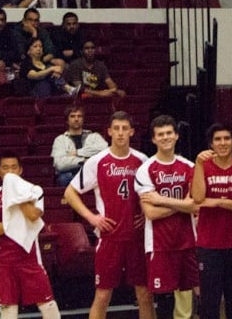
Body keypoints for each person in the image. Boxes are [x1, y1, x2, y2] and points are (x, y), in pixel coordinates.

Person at [64, 111, 154, 319]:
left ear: (132, 132)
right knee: (103, 295)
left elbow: (151, 193)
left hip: (137, 237)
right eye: (116, 129)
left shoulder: (142, 160)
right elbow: (70, 192)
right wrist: (91, 217)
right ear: (109, 132)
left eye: (125, 129)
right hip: (110, 237)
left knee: (144, 294)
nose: (120, 133)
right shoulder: (98, 161)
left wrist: (145, 213)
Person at [0, 153, 62, 319]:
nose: (10, 172)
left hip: (30, 257)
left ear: (20, 170)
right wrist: (16, 222)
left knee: (47, 303)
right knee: (8, 307)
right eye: (5, 168)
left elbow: (33, 215)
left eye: (13, 167)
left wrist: (16, 196)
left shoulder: (34, 191)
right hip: (5, 259)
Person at [133, 115, 197, 317]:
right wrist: (182, 205)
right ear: (153, 139)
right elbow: (150, 213)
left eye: (169, 133)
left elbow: (195, 206)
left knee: (193, 293)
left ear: (177, 136)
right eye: (160, 134)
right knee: (164, 298)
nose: (165, 137)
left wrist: (162, 199)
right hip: (159, 243)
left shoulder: (190, 167)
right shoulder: (145, 170)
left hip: (188, 240)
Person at [191, 122, 232, 319]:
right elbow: (199, 198)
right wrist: (199, 164)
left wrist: (219, 202)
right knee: (209, 304)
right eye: (218, 139)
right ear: (211, 144)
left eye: (227, 138)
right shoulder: (202, 167)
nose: (222, 143)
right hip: (209, 246)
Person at [51, 105, 108, 186]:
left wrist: (78, 152)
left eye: (79, 116)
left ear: (83, 119)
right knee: (63, 178)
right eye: (72, 116)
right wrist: (84, 161)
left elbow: (105, 149)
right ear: (67, 120)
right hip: (70, 175)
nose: (76, 119)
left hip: (92, 173)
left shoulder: (94, 136)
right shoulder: (60, 140)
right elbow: (59, 164)